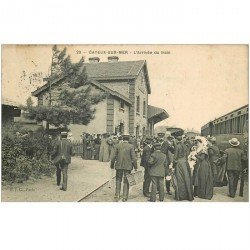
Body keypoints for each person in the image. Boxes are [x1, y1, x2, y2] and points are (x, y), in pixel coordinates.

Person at [110, 134, 138, 202]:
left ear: (122, 138)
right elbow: (134, 158)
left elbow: (113, 157)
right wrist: (135, 167)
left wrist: (112, 165)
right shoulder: (131, 146)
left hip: (119, 165)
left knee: (118, 180)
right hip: (128, 166)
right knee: (126, 181)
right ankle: (125, 197)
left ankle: (117, 196)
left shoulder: (117, 145)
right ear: (128, 139)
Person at [173, 136, 193, 201]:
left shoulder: (177, 146)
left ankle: (180, 196)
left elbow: (175, 157)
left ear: (176, 139)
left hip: (179, 163)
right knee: (186, 178)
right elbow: (187, 154)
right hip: (185, 163)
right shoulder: (185, 146)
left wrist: (173, 164)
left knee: (179, 179)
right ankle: (188, 196)